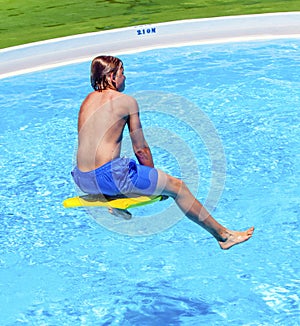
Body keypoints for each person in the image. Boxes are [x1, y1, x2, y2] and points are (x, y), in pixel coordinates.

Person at [71, 55, 254, 250]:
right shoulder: (126, 101)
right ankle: (224, 237)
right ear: (111, 77)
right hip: (110, 178)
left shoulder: (87, 101)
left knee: (118, 171)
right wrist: (153, 182)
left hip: (83, 179)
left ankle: (115, 202)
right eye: (122, 74)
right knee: (178, 187)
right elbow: (141, 149)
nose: (125, 78)